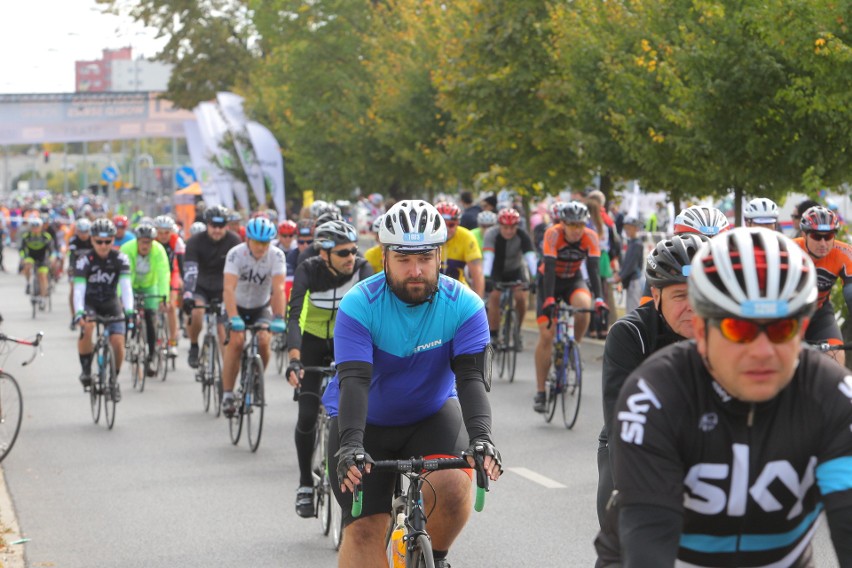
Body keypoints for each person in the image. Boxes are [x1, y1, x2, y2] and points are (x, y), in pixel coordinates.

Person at [600, 227, 852, 567]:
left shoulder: (833, 397)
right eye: (739, 329)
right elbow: (648, 547)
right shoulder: (654, 396)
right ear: (702, 330)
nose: (762, 352)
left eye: (781, 329)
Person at [325, 200, 502, 568]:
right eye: (404, 259)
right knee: (364, 533)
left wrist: (482, 437)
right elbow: (355, 382)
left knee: (454, 486)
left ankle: (432, 558)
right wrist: (351, 445)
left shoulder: (465, 305)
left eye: (424, 258)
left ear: (440, 255)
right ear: (384, 257)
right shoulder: (360, 305)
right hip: (365, 423)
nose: (416, 270)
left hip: (430, 414)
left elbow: (471, 379)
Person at [595, 233, 706, 529]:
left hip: (707, 443)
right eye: (680, 296)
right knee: (622, 533)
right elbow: (621, 422)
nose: (693, 307)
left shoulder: (727, 331)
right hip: (635, 441)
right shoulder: (631, 334)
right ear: (656, 296)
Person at [285, 220, 373, 518]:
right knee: (308, 414)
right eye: (343, 252)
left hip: (346, 344)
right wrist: (295, 358)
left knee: (360, 408)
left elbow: (374, 316)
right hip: (311, 342)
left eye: (353, 250)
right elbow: (294, 315)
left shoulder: (363, 269)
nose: (351, 257)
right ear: (324, 254)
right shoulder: (308, 269)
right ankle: (304, 484)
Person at [533, 201, 607, 413]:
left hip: (572, 280)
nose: (576, 230)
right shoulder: (553, 234)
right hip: (549, 282)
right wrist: (548, 300)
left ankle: (574, 347)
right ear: (563, 223)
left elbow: (593, 271)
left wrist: (600, 299)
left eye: (580, 225)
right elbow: (548, 269)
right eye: (572, 225)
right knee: (547, 335)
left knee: (584, 306)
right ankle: (540, 392)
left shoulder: (591, 237)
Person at [220, 217, 287, 416]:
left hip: (260, 306)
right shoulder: (235, 255)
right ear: (248, 239)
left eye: (265, 243)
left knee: (264, 340)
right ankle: (227, 394)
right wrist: (233, 317)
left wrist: (279, 317)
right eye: (257, 242)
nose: (261, 247)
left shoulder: (277, 256)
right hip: (236, 306)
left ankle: (256, 380)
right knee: (236, 341)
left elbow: (279, 289)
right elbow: (228, 289)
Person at [73, 218, 134, 397]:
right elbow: (78, 289)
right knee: (88, 326)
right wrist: (78, 312)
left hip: (111, 303)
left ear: (113, 240)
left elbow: (126, 287)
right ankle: (85, 368)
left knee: (118, 341)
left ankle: (114, 379)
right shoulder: (84, 260)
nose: (103, 245)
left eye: (108, 241)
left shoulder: (120, 258)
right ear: (92, 240)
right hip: (90, 303)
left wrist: (129, 310)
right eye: (99, 241)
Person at [183, 205, 242, 369]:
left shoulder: (234, 241)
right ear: (207, 224)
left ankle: (225, 374)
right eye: (213, 226)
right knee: (197, 312)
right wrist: (188, 295)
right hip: (200, 286)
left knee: (223, 330)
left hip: (223, 288)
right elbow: (190, 271)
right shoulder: (195, 241)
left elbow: (239, 273)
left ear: (227, 225)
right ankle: (194, 346)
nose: (217, 230)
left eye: (221, 226)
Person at [793, 205, 852, 365]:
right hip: (788, 314)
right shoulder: (788, 250)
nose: (823, 243)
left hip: (819, 313)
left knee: (836, 357)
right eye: (817, 236)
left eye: (829, 236)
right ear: (804, 234)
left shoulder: (843, 253)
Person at [482, 207, 537, 350]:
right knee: (494, 296)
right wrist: (487, 277)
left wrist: (536, 277)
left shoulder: (523, 235)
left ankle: (516, 331)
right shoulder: (491, 234)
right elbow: (488, 257)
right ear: (499, 225)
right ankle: (494, 334)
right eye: (505, 227)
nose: (509, 231)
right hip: (496, 270)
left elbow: (530, 257)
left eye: (512, 227)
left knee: (521, 297)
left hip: (515, 270)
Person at [121, 224, 171, 377]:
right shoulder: (126, 249)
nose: (145, 246)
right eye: (142, 242)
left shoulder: (158, 251)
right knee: (125, 313)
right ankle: (125, 342)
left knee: (151, 318)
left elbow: (163, 274)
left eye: (148, 242)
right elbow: (122, 277)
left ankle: (151, 356)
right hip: (131, 285)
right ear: (137, 241)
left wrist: (164, 298)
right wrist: (122, 297)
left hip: (150, 285)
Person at [435, 201, 485, 297]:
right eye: (441, 224)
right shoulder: (426, 238)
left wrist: (479, 302)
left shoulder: (466, 237)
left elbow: (477, 273)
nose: (446, 229)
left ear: (458, 223)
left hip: (458, 291)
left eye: (451, 225)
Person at [154, 215, 186, 358]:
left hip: (172, 273)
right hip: (155, 274)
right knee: (153, 306)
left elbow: (181, 265)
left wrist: (182, 282)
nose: (163, 236)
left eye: (167, 232)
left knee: (171, 306)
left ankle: (172, 342)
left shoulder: (176, 242)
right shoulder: (152, 242)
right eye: (160, 232)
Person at [19, 217, 55, 306]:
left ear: (41, 227)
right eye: (33, 227)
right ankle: (28, 283)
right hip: (30, 256)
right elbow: (21, 249)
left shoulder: (46, 236)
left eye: (37, 227)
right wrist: (23, 258)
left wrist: (51, 258)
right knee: (27, 265)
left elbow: (51, 250)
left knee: (42, 276)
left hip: (42, 258)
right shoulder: (26, 236)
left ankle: (43, 297)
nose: (35, 229)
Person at [612, 216, 644, 314]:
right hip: (631, 280)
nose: (627, 230)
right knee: (630, 308)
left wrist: (620, 276)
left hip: (635, 280)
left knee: (633, 309)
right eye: (625, 228)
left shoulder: (637, 244)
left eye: (629, 228)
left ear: (636, 228)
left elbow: (631, 265)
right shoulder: (631, 242)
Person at [67, 218, 92, 329]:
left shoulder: (93, 240)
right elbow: (72, 256)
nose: (83, 235)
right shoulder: (73, 240)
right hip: (77, 268)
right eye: (81, 232)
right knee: (73, 290)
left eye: (85, 232)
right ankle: (74, 316)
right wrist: (71, 268)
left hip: (90, 269)